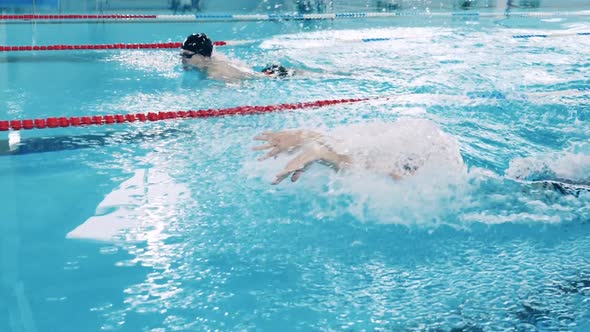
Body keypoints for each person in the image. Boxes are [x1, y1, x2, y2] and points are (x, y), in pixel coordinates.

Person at [180, 33, 294, 82]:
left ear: (204, 57)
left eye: (187, 55)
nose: (182, 59)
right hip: (264, 72)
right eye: (181, 54)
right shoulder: (209, 61)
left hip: (272, 76)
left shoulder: (216, 74)